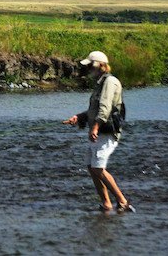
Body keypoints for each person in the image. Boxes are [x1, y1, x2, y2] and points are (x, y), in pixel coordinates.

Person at [63, 50, 135, 213]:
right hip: (99, 132)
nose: (88, 69)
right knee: (91, 167)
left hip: (107, 132)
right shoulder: (99, 83)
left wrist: (94, 127)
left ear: (100, 66)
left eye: (90, 66)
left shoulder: (110, 82)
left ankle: (122, 202)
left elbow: (105, 108)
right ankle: (106, 204)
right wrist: (79, 117)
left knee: (98, 168)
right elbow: (93, 110)